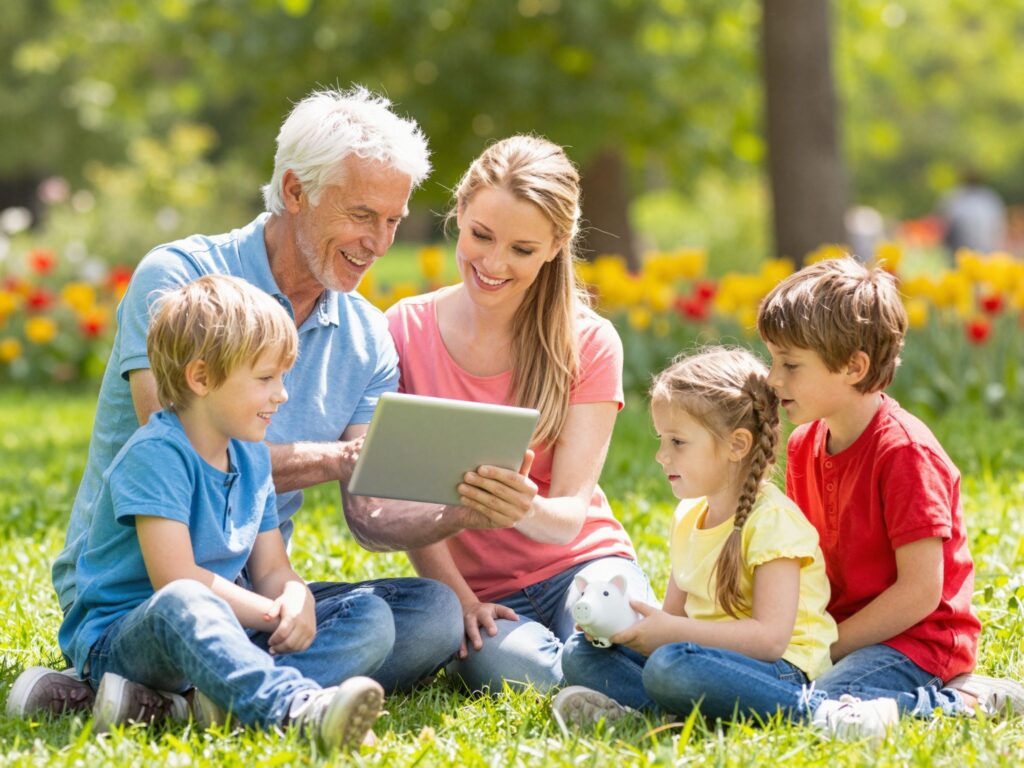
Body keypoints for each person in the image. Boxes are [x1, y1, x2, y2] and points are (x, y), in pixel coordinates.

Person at [8, 86, 471, 719]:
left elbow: (369, 514)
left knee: (430, 613)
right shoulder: (182, 284)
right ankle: (274, 700)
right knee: (193, 609)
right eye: (363, 215)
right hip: (147, 594)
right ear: (295, 191)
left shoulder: (367, 335)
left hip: (248, 586)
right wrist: (338, 459)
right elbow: (185, 448)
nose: (380, 242)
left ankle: (185, 702)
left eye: (393, 221)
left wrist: (458, 510)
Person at [57, 275, 383, 748]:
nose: (282, 394)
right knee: (186, 602)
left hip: (226, 626)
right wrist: (271, 613)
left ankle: (195, 703)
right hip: (128, 639)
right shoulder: (156, 454)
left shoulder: (251, 457)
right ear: (202, 378)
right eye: (266, 378)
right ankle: (294, 709)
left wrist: (296, 598)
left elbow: (270, 569)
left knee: (369, 615)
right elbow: (176, 579)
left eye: (282, 377)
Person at [386, 135, 646, 692]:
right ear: (459, 211)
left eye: (522, 250)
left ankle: (609, 676)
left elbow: (569, 516)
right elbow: (404, 502)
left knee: (615, 622)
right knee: (505, 665)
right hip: (485, 594)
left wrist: (520, 506)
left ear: (556, 245)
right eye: (481, 236)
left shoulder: (589, 341)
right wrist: (460, 599)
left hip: (582, 565)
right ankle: (607, 684)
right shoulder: (403, 330)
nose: (494, 263)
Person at [553, 347, 899, 739]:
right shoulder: (688, 516)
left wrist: (673, 635)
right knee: (580, 654)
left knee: (671, 666)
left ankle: (821, 714)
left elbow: (769, 641)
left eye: (678, 442)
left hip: (780, 672)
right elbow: (672, 619)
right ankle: (679, 715)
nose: (661, 456)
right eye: (662, 440)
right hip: (701, 659)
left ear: (737, 445)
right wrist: (620, 627)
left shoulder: (772, 523)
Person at [757, 256, 1022, 717]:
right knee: (768, 683)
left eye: (791, 364)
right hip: (839, 633)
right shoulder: (802, 445)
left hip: (918, 641)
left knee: (820, 704)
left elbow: (920, 593)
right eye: (773, 360)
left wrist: (828, 647)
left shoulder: (904, 452)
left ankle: (968, 699)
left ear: (854, 367)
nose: (773, 378)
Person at [938, 171, 1007, 257]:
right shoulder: (990, 199)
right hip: (982, 251)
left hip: (962, 251)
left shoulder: (953, 198)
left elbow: (942, 225)